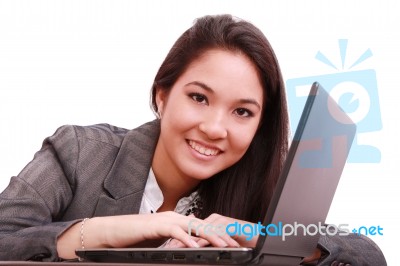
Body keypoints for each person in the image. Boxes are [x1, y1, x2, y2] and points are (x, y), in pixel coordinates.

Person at [0, 14, 386, 265]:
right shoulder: (78, 153)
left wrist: (264, 236)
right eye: (199, 98)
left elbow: (368, 255)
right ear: (162, 95)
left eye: (242, 112)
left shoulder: (256, 189)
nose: (215, 128)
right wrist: (105, 232)